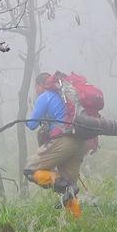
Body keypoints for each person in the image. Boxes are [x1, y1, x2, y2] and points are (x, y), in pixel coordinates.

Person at [24, 72, 89, 217]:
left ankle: (66, 186)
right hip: (79, 142)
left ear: (40, 85)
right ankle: (77, 223)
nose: (36, 91)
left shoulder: (45, 96)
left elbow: (32, 124)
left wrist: (27, 121)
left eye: (36, 87)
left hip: (63, 141)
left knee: (29, 170)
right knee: (71, 194)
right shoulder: (65, 96)